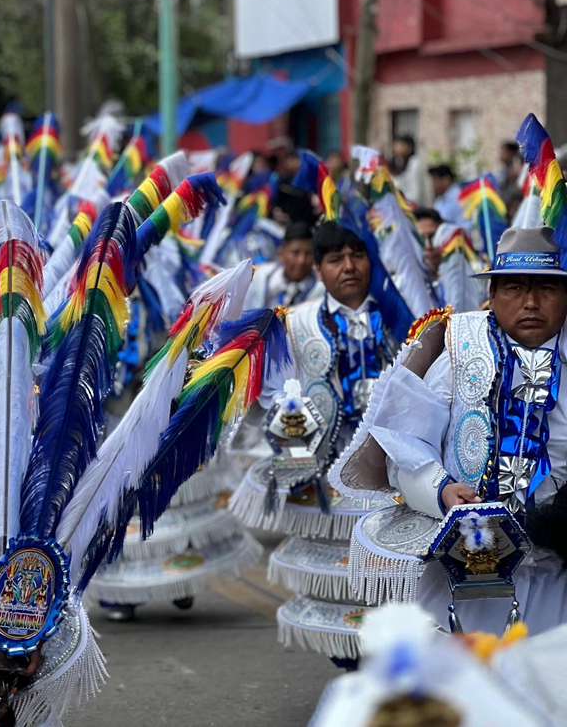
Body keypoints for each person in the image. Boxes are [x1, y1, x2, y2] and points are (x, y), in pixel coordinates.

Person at [335, 226, 567, 636]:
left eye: (546, 289)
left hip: (557, 575)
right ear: (492, 295)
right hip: (461, 576)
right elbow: (405, 445)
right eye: (514, 288)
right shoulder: (459, 348)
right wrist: (442, 490)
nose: (531, 303)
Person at [230, 218, 411, 665]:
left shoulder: (401, 317)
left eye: (357, 256)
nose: (348, 267)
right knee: (344, 576)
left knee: (398, 571)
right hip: (330, 467)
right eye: (335, 259)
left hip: (397, 468)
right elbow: (274, 392)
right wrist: (294, 434)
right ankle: (354, 658)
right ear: (318, 268)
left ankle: (393, 657)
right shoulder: (297, 324)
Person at [244, 220, 324, 309]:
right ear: (282, 253)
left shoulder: (320, 288)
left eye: (308, 253)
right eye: (295, 253)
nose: (302, 260)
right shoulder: (262, 277)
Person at [390, 135, 430, 207]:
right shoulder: (398, 162)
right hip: (403, 204)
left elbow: (416, 193)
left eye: (401, 145)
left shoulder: (415, 163)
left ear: (410, 148)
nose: (397, 148)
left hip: (417, 205)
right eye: (396, 145)